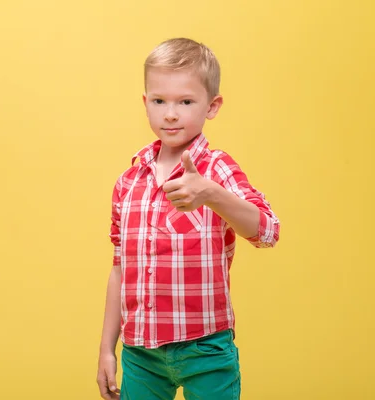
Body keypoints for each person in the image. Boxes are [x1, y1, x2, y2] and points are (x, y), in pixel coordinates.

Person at [96, 38, 280, 400]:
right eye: (160, 101)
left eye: (186, 102)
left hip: (205, 348)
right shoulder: (129, 182)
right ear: (145, 102)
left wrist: (212, 193)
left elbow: (267, 231)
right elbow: (120, 267)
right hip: (140, 352)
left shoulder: (217, 169)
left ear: (212, 106)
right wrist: (107, 348)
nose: (170, 114)